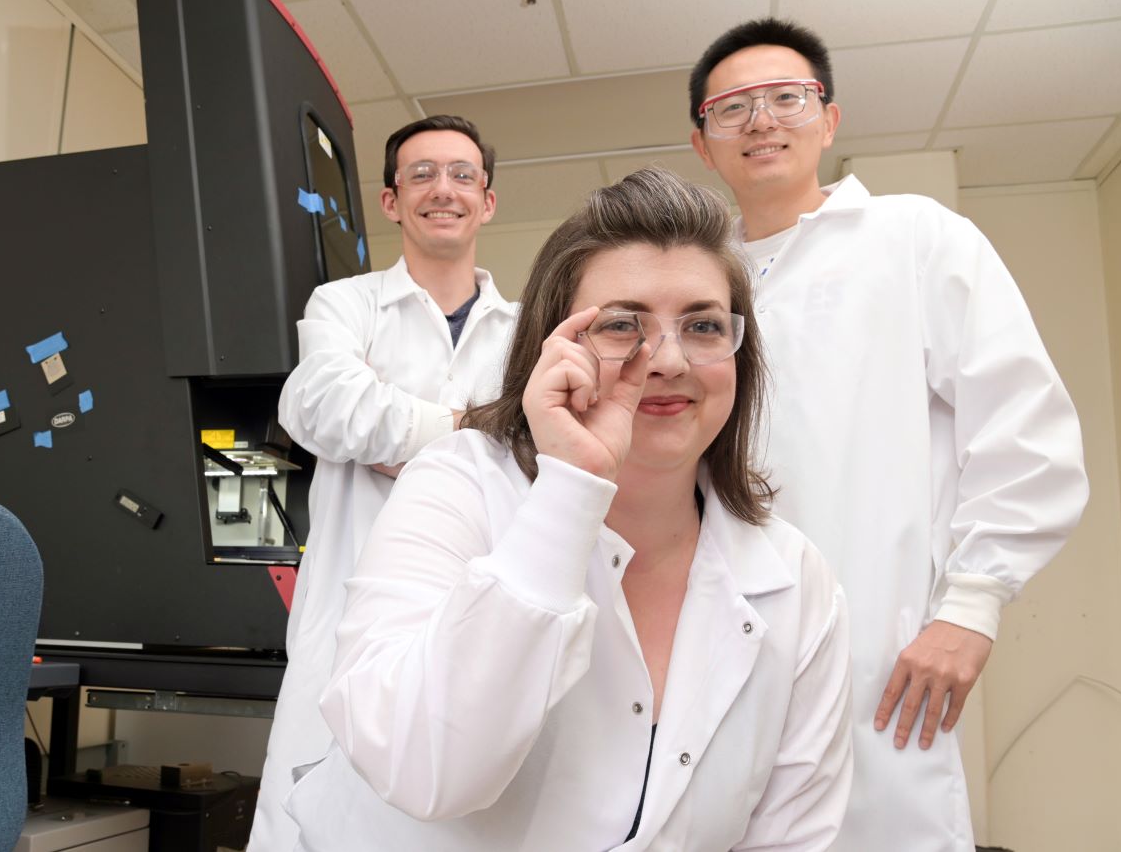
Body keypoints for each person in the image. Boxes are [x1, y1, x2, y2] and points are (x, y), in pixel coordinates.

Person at [284, 168, 853, 850]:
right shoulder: (457, 485)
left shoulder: (796, 578)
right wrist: (571, 489)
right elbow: (424, 768)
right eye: (622, 325)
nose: (668, 359)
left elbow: (791, 836)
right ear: (554, 350)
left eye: (702, 325)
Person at [687, 18, 1090, 852]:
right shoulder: (696, 278)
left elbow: (1027, 432)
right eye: (733, 109)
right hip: (713, 642)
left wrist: (971, 609)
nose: (761, 121)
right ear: (703, 143)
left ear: (828, 120)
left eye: (786, 99)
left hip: (877, 647)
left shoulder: (912, 236)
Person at [249, 115, 517, 852]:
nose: (444, 189)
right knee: (319, 814)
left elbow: (530, 448)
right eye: (422, 174)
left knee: (470, 813)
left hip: (479, 606)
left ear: (487, 202)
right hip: (348, 608)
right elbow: (322, 406)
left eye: (463, 174)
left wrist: (393, 434)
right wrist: (471, 429)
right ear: (392, 200)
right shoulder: (345, 303)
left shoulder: (527, 328)